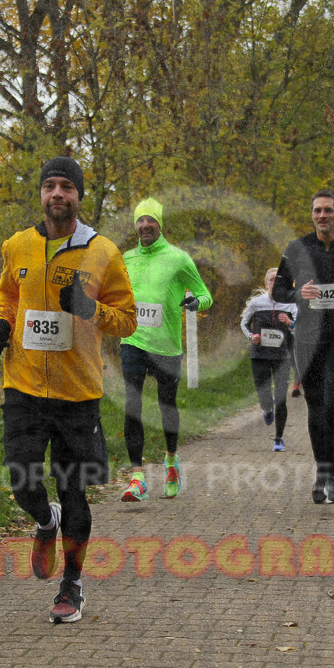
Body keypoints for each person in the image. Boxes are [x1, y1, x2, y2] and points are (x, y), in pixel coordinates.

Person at [0, 156, 137, 623]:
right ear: (41, 193)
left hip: (77, 391)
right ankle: (44, 520)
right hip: (24, 385)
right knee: (22, 480)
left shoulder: (103, 252)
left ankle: (72, 583)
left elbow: (127, 319)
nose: (57, 194)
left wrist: (90, 309)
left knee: (75, 491)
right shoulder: (18, 245)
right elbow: (8, 293)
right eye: (49, 185)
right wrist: (2, 323)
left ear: (78, 196)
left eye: (66, 187)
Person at [272, 188, 334, 505]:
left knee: (332, 402)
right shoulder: (297, 248)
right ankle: (322, 472)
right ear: (312, 214)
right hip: (307, 336)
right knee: (315, 405)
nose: (322, 216)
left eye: (328, 210)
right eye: (317, 210)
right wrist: (298, 294)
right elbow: (278, 291)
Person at [120, 197, 214, 502]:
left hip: (166, 346)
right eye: (140, 220)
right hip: (132, 340)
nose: (145, 225)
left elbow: (205, 294)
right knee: (132, 405)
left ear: (160, 225)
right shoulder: (126, 258)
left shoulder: (178, 258)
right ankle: (137, 479)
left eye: (151, 220)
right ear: (135, 225)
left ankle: (171, 461)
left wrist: (196, 302)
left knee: (166, 407)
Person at [240, 267, 298, 452]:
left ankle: (279, 439)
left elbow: (300, 329)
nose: (275, 282)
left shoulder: (291, 304)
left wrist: (290, 323)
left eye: (279, 279)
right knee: (264, 395)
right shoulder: (257, 303)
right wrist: (251, 336)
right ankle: (267, 408)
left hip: (282, 356)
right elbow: (243, 323)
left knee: (281, 399)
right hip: (260, 355)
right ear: (266, 284)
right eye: (272, 279)